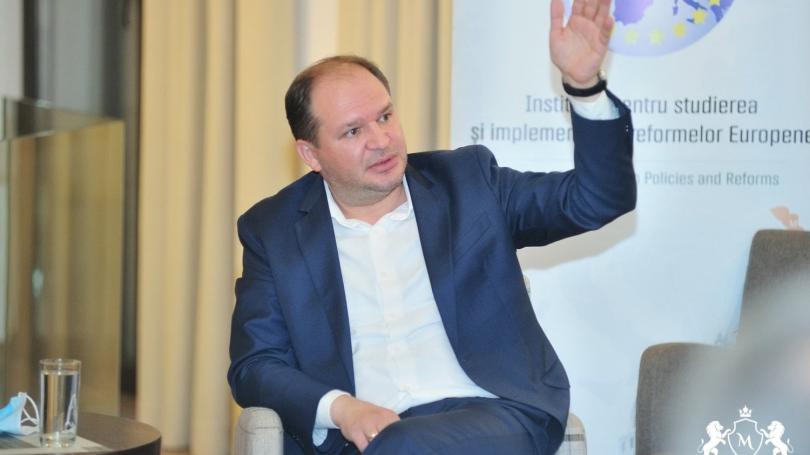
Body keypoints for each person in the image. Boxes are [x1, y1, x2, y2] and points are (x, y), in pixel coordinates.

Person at [228, 0, 635, 453]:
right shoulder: (274, 231)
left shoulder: (469, 184)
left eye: (385, 116)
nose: (381, 140)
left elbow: (597, 200)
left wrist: (585, 88)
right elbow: (255, 365)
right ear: (310, 154)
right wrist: (344, 409)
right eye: (353, 132)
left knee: (404, 445)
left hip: (492, 415)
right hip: (359, 434)